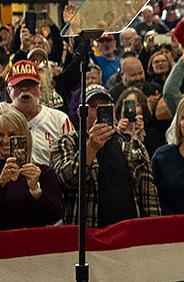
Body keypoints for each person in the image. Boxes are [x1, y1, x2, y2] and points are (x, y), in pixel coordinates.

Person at [52, 85, 160, 227]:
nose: (98, 110)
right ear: (80, 112)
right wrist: (91, 148)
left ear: (113, 109)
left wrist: (153, 230)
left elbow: (149, 196)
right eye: (92, 106)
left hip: (130, 233)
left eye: (104, 105)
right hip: (87, 235)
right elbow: (65, 180)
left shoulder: (132, 144)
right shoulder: (67, 142)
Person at [0, 107, 63, 229]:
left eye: (12, 135)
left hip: (33, 244)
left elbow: (55, 217)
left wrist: (36, 190)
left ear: (24, 138)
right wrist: (0, 184)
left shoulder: (44, 173)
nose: (5, 140)